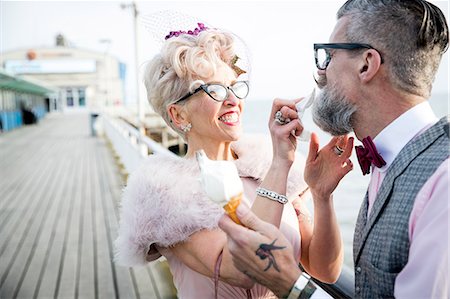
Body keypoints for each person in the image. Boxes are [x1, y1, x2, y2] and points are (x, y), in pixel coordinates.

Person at [219, 0, 449, 298]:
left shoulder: (443, 182)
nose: (321, 72)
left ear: (367, 64)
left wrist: (290, 284)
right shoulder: (390, 159)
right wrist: (320, 195)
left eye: (328, 56)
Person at [114, 22, 351, 298]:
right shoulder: (166, 196)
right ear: (178, 115)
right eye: (214, 90)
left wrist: (322, 196)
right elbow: (243, 269)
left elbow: (325, 270)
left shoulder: (264, 170)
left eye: (234, 86)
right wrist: (280, 163)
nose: (232, 99)